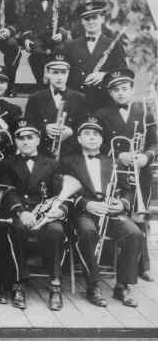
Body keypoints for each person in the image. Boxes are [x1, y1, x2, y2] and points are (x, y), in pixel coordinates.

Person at [61, 115, 143, 308]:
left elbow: (128, 190)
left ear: (102, 139)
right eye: (86, 134)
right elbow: (61, 191)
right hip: (83, 212)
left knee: (135, 233)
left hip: (110, 212)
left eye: (96, 134)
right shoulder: (67, 161)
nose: (91, 137)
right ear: (79, 139)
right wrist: (86, 204)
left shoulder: (114, 162)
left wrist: (122, 203)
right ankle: (93, 285)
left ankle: (122, 286)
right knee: (88, 232)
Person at [0, 119, 68, 311]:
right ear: (16, 142)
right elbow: (8, 191)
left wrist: (58, 210)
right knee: (15, 229)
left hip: (45, 215)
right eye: (21, 138)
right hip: (20, 212)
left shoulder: (51, 164)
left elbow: (60, 192)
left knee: (56, 231)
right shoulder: (7, 163)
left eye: (30, 137)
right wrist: (20, 211)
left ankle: (55, 284)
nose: (25, 142)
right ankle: (18, 283)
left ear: (38, 140)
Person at [96, 69, 156, 282]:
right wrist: (117, 154)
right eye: (116, 90)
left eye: (124, 89)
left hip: (141, 172)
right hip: (115, 173)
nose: (120, 93)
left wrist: (146, 157)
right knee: (121, 214)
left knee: (140, 216)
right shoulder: (102, 113)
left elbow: (154, 142)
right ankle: (119, 262)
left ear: (131, 89)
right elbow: (99, 143)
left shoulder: (145, 111)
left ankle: (144, 265)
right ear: (110, 93)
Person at [63, 1, 127, 111]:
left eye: (95, 18)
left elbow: (124, 72)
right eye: (87, 19)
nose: (91, 22)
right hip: (77, 103)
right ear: (82, 21)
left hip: (105, 102)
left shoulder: (115, 45)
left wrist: (104, 75)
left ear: (102, 19)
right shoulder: (71, 46)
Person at [24, 55, 88, 159]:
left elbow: (84, 125)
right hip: (42, 153)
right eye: (55, 72)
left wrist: (71, 131)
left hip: (71, 153)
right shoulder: (35, 98)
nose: (59, 77)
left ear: (68, 74)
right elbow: (28, 125)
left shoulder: (79, 98)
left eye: (63, 73)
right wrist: (44, 129)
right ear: (48, 74)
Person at [20, 0, 70, 86]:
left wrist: (62, 34)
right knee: (36, 54)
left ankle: (57, 83)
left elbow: (66, 24)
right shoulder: (30, 4)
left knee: (61, 52)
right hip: (38, 38)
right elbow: (25, 25)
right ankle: (40, 84)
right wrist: (26, 38)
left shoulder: (60, 3)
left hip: (55, 39)